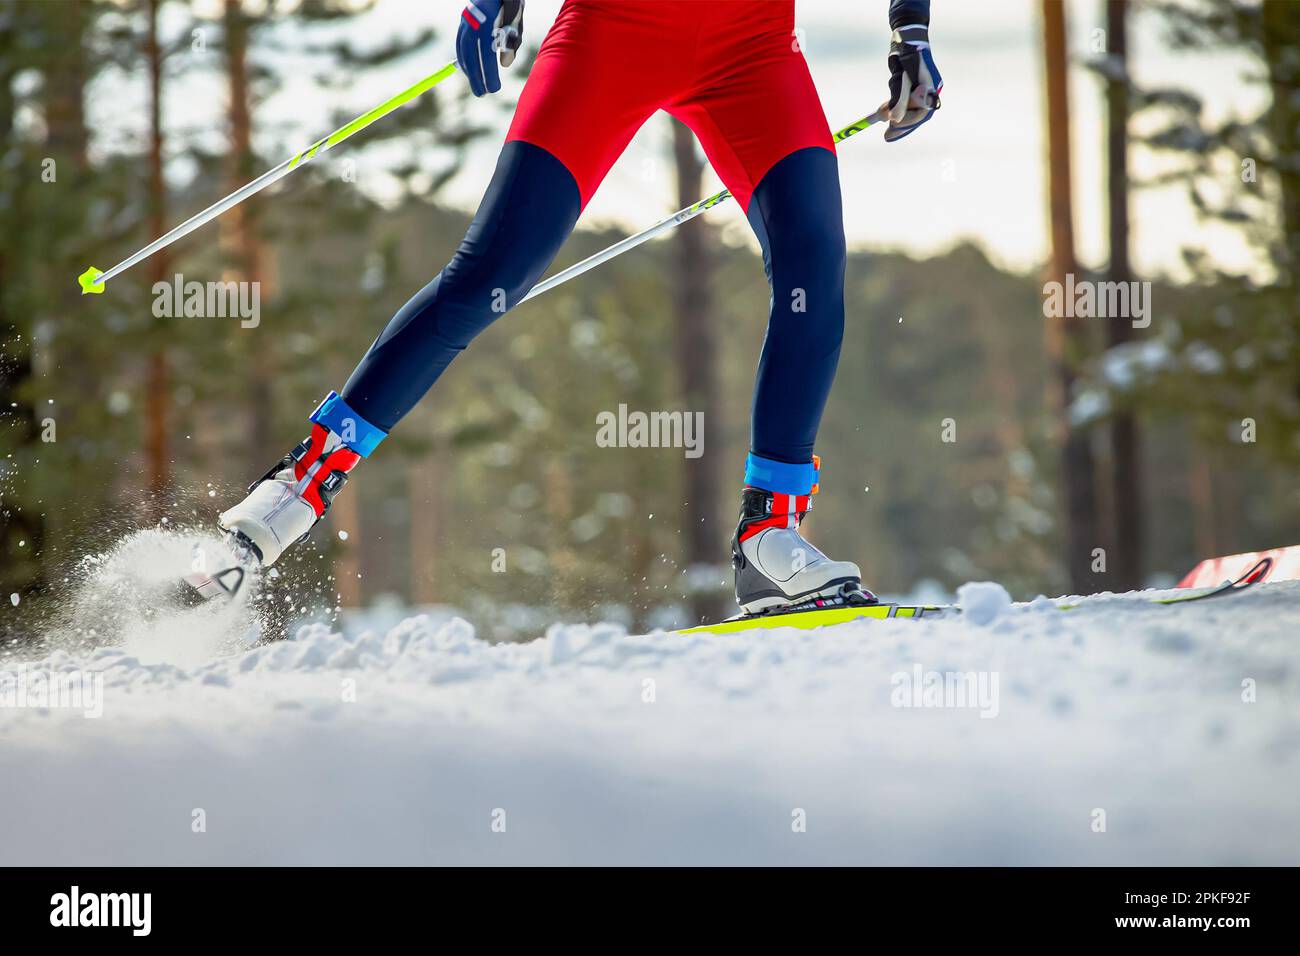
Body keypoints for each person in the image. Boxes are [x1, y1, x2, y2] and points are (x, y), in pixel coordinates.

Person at [217, 0, 941, 614]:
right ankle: (304, 479)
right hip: (614, 30)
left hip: (751, 47)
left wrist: (911, 31)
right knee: (491, 272)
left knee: (813, 263)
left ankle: (768, 535)